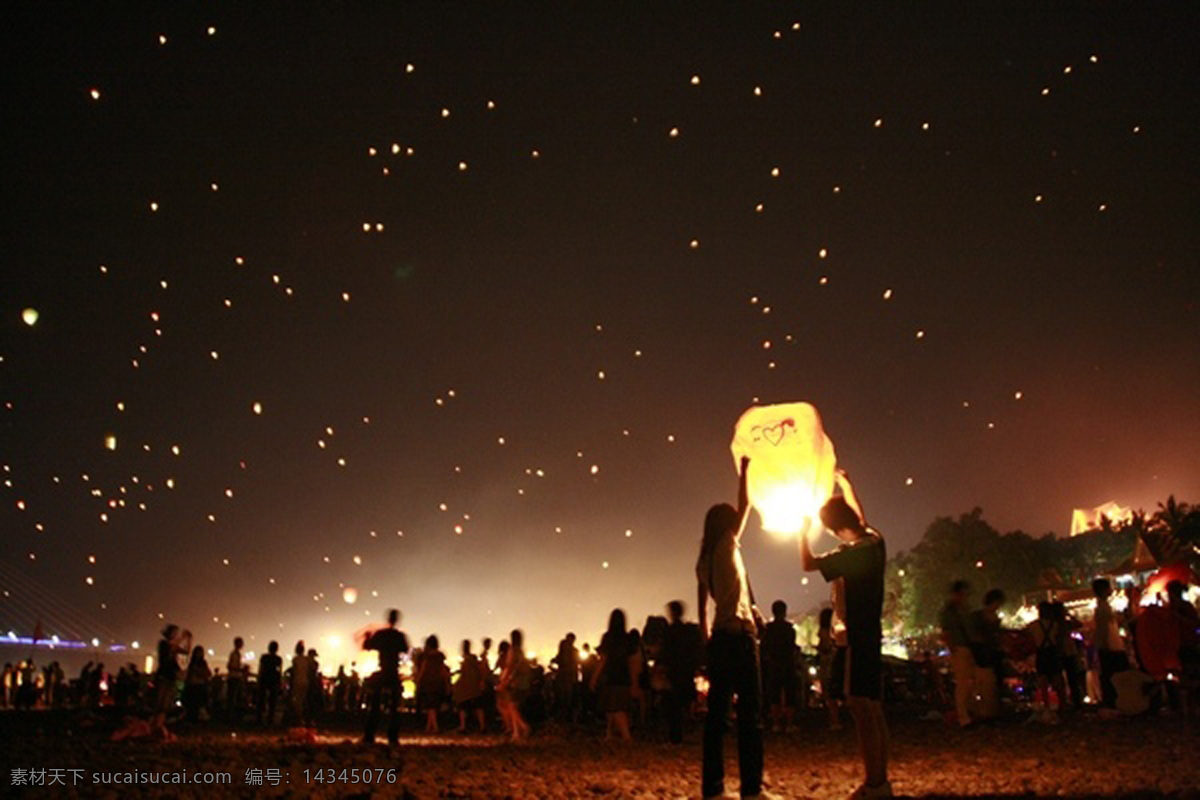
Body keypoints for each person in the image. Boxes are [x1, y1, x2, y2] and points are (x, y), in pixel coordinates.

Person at [802, 470, 891, 798]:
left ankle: (874, 783)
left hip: (854, 637)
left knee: (860, 707)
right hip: (872, 633)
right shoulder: (874, 540)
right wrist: (846, 484)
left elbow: (807, 563)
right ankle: (881, 781)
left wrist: (802, 531)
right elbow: (860, 517)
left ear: (836, 530)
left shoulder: (849, 553)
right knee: (873, 707)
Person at [696, 456, 765, 799]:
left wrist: (705, 636)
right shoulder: (727, 545)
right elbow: (747, 503)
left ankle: (712, 789)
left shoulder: (703, 559)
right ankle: (751, 790)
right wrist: (745, 470)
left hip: (719, 641)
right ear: (724, 525)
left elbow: (701, 606)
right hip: (739, 639)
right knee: (750, 717)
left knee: (716, 720)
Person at [363, 609, 410, 746]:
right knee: (395, 707)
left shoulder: (381, 634)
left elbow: (367, 646)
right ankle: (393, 736)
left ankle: (370, 734)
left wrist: (367, 636)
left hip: (383, 672)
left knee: (375, 705)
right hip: (393, 672)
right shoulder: (399, 636)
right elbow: (405, 649)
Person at [660, 600, 704, 744]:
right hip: (687, 669)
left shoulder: (670, 631)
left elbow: (666, 653)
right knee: (686, 701)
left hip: (675, 670)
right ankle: (689, 729)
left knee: (674, 704)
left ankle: (676, 735)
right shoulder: (689, 631)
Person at [592, 608, 634, 741]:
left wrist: (594, 677)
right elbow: (632, 660)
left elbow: (603, 659)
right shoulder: (627, 639)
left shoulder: (608, 638)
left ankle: (626, 736)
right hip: (624, 674)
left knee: (615, 707)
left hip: (611, 675)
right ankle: (609, 733)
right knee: (615, 706)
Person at [940, 580, 975, 727]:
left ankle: (967, 713)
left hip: (965, 647)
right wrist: (952, 647)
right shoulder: (951, 612)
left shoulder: (961, 610)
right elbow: (946, 633)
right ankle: (963, 717)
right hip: (960, 648)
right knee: (963, 683)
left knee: (968, 683)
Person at [969, 589, 1006, 720]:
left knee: (995, 682)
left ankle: (992, 710)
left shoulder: (991, 616)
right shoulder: (979, 617)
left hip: (993, 652)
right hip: (983, 653)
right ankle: (985, 711)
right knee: (985, 682)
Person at [762, 599, 798, 734]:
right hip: (788, 663)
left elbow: (765, 647)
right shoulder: (789, 629)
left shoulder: (768, 629)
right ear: (785, 611)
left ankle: (776, 723)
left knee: (774, 694)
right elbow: (792, 647)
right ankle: (789, 723)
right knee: (790, 694)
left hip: (773, 664)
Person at [1092, 578, 1128, 709]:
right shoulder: (1102, 608)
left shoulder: (1104, 606)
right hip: (1110, 647)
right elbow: (1103, 629)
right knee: (1113, 676)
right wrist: (1106, 645)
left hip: (1110, 645)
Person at [151, 625, 191, 739]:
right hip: (164, 676)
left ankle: (158, 725)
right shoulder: (163, 644)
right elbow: (173, 648)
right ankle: (156, 725)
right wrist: (183, 638)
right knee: (160, 702)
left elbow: (185, 651)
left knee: (165, 704)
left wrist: (188, 640)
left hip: (170, 676)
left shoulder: (171, 646)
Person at [498, 629, 531, 740]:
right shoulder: (521, 651)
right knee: (513, 706)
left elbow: (510, 666)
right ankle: (518, 730)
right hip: (523, 681)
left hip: (515, 682)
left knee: (511, 706)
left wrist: (505, 680)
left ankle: (520, 728)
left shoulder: (512, 650)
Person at [817, 607, 844, 730]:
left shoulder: (823, 631)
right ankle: (836, 719)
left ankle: (834, 720)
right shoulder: (835, 631)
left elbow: (824, 647)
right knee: (834, 691)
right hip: (833, 661)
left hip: (826, 663)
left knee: (829, 693)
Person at [416, 635, 449, 733]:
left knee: (430, 706)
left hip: (428, 682)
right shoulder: (440, 656)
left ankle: (435, 727)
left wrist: (418, 680)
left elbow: (423, 669)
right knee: (433, 705)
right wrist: (447, 683)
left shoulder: (426, 656)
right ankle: (429, 726)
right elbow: (443, 670)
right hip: (438, 682)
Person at [454, 639, 487, 732]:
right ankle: (482, 726)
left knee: (462, 705)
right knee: (478, 706)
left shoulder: (468, 659)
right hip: (473, 685)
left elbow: (465, 673)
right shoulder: (472, 658)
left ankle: (463, 726)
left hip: (467, 686)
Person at [551, 633, 580, 723]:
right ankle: (564, 717)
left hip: (565, 676)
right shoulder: (573, 651)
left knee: (563, 697)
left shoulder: (568, 650)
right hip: (567, 677)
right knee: (564, 697)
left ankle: (562, 717)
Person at [256, 641, 282, 725]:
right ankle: (270, 719)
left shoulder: (264, 657)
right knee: (272, 701)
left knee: (261, 699)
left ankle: (259, 718)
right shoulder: (278, 659)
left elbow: (261, 669)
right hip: (273, 680)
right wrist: (279, 682)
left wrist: (259, 679)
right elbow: (279, 671)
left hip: (264, 679)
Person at [184, 646, 211, 723]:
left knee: (197, 704)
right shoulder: (192, 663)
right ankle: (191, 719)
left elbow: (207, 673)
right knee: (192, 704)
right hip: (192, 685)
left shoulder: (202, 663)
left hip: (199, 685)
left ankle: (195, 719)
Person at [289, 642, 312, 728]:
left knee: (296, 701)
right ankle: (303, 719)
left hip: (297, 681)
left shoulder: (295, 659)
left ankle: (298, 719)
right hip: (305, 682)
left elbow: (294, 671)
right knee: (303, 700)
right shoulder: (306, 660)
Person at [225, 637, 247, 722]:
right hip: (234, 677)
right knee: (233, 698)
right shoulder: (234, 654)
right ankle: (230, 717)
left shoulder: (236, 654)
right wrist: (241, 669)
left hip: (235, 677)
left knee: (233, 698)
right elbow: (231, 666)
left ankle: (231, 716)